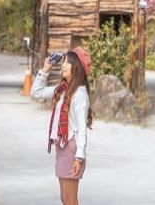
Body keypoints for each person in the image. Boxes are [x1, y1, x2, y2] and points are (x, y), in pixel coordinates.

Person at [31, 46, 94, 205]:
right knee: (65, 199)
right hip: (63, 146)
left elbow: (81, 128)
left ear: (77, 68)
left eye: (67, 62)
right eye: (63, 61)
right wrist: (45, 69)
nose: (63, 65)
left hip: (71, 148)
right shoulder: (63, 90)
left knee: (70, 200)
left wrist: (79, 157)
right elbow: (36, 92)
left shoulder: (79, 93)